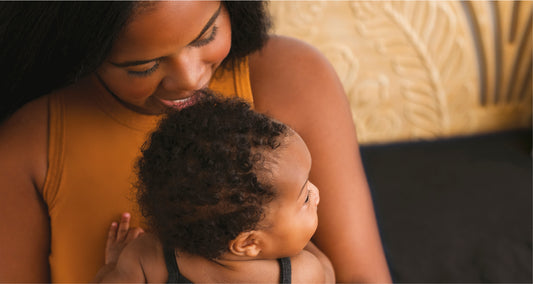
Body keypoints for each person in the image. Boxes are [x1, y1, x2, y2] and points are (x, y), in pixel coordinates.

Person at [0, 1, 391, 282]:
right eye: (144, 66)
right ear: (85, 53)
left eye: (207, 35)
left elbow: (358, 275)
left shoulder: (292, 78)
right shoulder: (28, 144)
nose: (189, 79)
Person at [93, 94, 335, 283]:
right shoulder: (302, 274)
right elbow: (329, 273)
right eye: (304, 198)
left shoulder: (146, 257)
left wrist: (112, 265)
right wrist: (304, 243)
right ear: (249, 243)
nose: (316, 194)